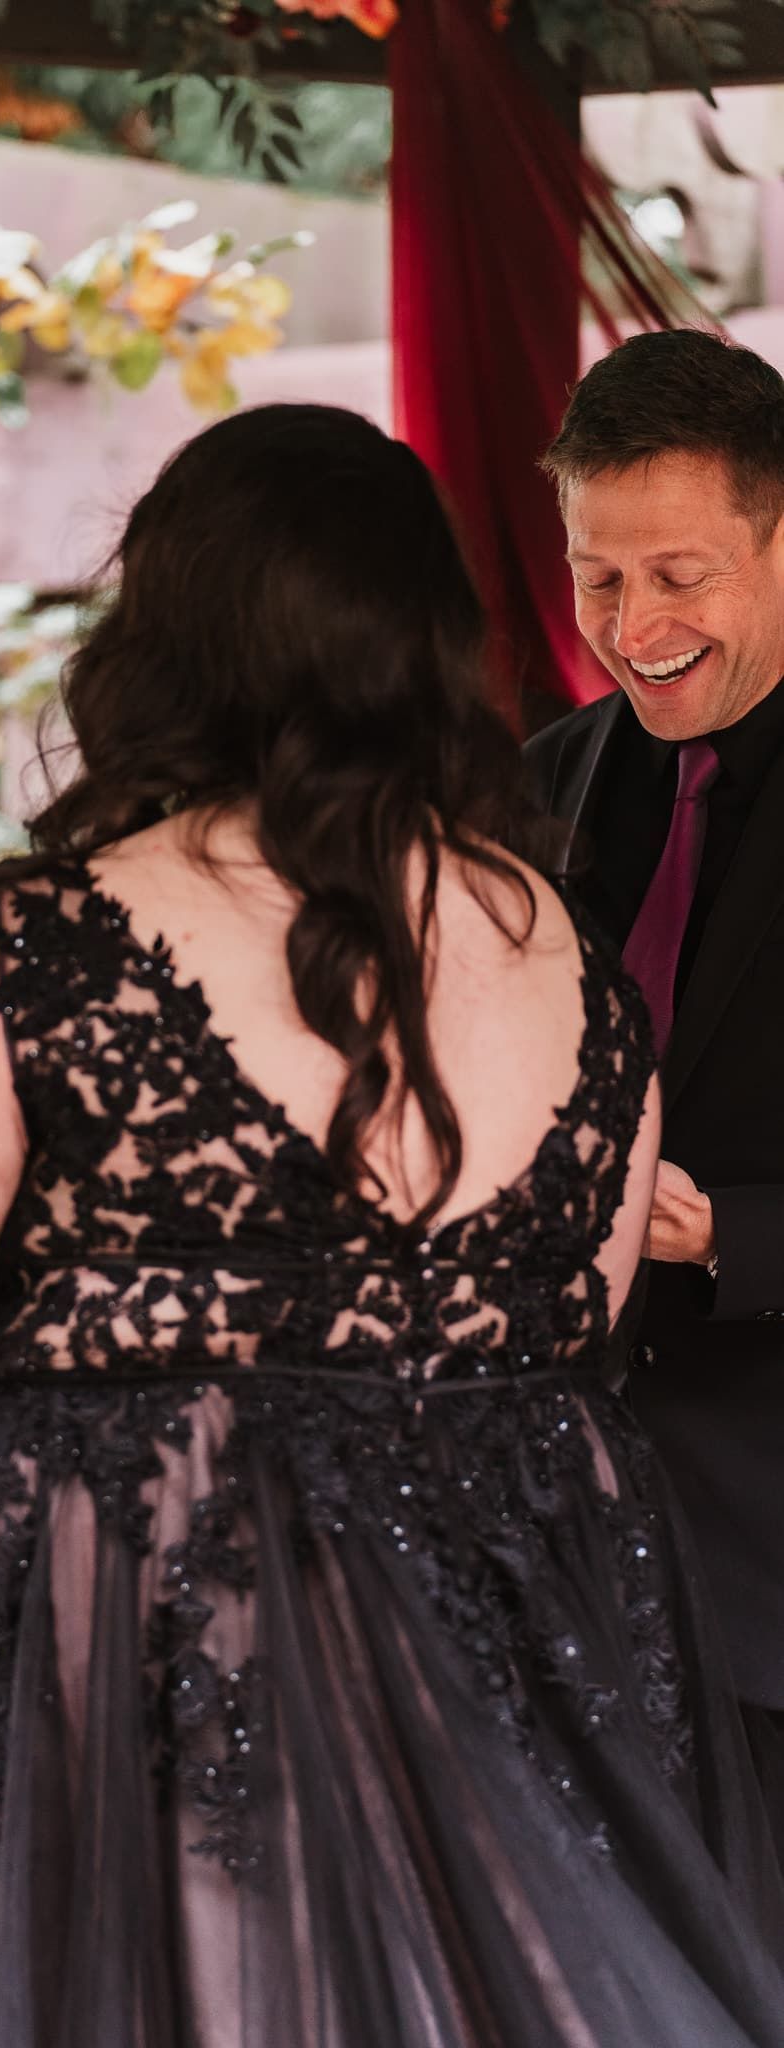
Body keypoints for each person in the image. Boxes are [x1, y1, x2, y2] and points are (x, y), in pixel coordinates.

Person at [0, 408, 784, 2048]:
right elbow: (580, 1331)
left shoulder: (38, 939)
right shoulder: (561, 967)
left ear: (163, 629)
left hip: (114, 1662)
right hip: (496, 1663)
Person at [528, 329, 784, 1831]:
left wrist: (729, 1237)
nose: (633, 625)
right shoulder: (527, 787)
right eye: (598, 576)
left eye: (677, 572)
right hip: (553, 1560)